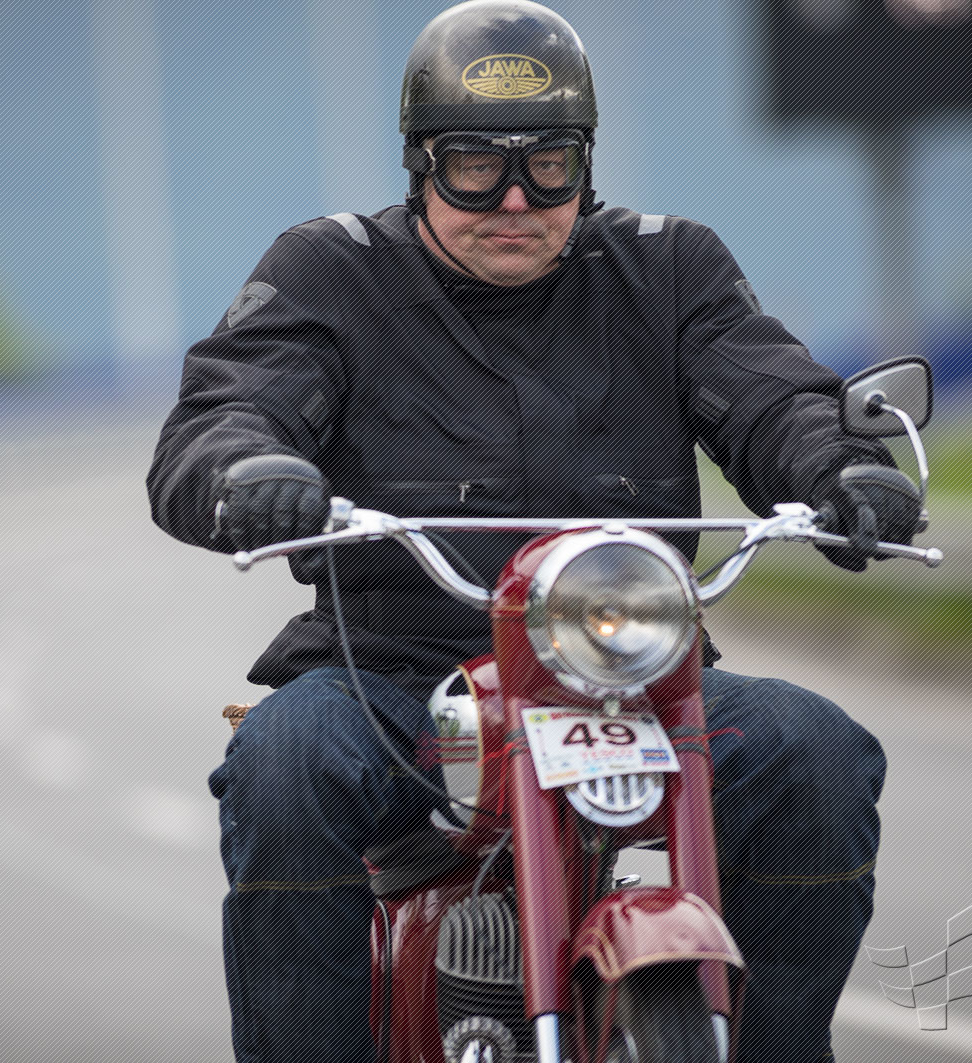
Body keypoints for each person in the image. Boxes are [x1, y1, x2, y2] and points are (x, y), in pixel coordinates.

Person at [147, 2, 922, 1059]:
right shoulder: (328, 270)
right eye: (476, 167)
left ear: (583, 167)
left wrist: (842, 467)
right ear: (421, 164)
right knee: (282, 760)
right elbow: (225, 410)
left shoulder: (668, 267)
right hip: (396, 687)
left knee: (818, 755)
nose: (514, 199)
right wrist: (246, 468)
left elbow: (772, 397)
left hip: (634, 684)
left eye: (547, 165)